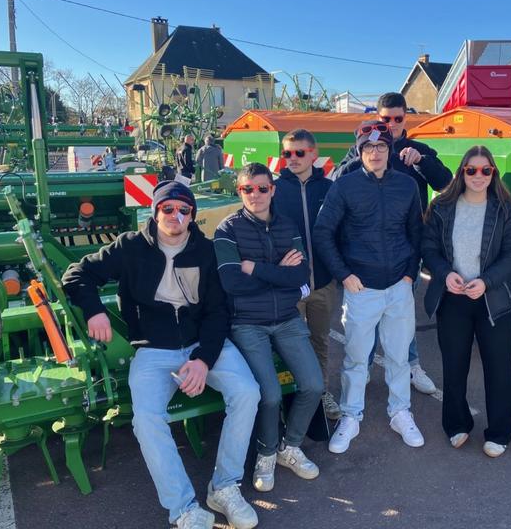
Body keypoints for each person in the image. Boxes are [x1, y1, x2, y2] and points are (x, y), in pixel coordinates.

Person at [62, 181, 259, 529]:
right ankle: (183, 508)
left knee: (247, 392)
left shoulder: (208, 251)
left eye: (184, 210)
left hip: (203, 343)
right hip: (153, 349)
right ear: (155, 211)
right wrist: (94, 310)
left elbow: (218, 312)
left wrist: (203, 359)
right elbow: (77, 274)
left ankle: (224, 487)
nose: (176, 215)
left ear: (192, 216)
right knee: (147, 419)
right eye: (168, 208)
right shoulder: (131, 247)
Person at [315, 121, 424, 453]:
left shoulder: (406, 186)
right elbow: (323, 232)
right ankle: (351, 415)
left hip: (398, 287)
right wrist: (344, 274)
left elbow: (416, 231)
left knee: (398, 355)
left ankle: (400, 411)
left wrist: (409, 273)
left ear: (389, 151)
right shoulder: (344, 187)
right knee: (356, 358)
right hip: (361, 288)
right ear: (359, 151)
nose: (375, 153)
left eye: (381, 147)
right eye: (368, 147)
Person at [214, 163, 324, 493]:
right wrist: (278, 273)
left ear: (272, 190)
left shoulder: (286, 227)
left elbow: (300, 277)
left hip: (288, 320)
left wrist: (256, 268)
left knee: (313, 385)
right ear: (239, 192)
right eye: (248, 189)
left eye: (263, 188)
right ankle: (265, 453)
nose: (256, 195)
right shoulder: (227, 230)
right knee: (270, 394)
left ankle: (289, 447)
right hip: (248, 324)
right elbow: (231, 283)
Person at [332, 92, 452, 394]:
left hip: (405, 254)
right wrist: (364, 155)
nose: (393, 124)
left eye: (398, 119)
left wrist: (422, 162)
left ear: (405, 119)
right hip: (366, 255)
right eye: (386, 119)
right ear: (378, 117)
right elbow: (339, 176)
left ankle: (412, 366)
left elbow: (445, 182)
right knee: (365, 323)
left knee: (403, 321)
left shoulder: (418, 150)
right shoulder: (363, 148)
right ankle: (367, 366)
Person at [421, 146, 511, 457]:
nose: (478, 176)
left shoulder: (506, 210)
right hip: (453, 299)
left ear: (494, 174)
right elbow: (429, 248)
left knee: (499, 369)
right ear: (462, 172)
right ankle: (456, 424)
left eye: (485, 170)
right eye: (471, 170)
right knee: (454, 366)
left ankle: (500, 432)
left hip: (492, 300)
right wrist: (444, 273)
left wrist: (487, 281)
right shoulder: (441, 207)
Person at [273, 128, 341, 420]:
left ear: (313, 154)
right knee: (285, 341)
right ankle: (290, 395)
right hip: (289, 286)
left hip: (323, 283)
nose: (293, 159)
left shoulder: (329, 189)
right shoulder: (274, 189)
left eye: (299, 153)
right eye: (287, 153)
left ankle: (322, 392)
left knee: (319, 340)